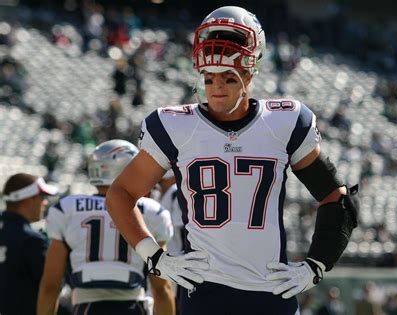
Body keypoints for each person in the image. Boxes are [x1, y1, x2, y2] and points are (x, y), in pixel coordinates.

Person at [106, 6, 359, 315]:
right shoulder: (174, 125)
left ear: (250, 72)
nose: (217, 89)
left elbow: (338, 199)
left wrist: (315, 265)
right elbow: (120, 194)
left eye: (227, 77)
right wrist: (154, 257)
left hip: (270, 290)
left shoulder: (283, 121)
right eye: (209, 78)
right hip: (205, 291)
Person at [37, 139, 175, 315]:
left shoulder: (66, 209)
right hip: (133, 307)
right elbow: (162, 288)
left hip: (86, 307)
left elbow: (51, 285)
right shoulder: (152, 211)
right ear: (126, 169)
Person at [0, 173, 58, 315]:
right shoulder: (32, 241)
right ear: (28, 200)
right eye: (42, 197)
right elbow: (50, 288)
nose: (44, 203)